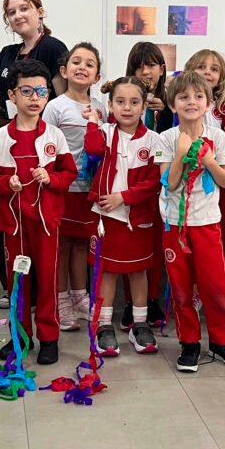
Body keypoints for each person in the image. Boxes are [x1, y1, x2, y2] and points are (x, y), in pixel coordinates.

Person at [0, 60, 78, 366]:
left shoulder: (54, 136)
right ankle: (20, 336)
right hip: (14, 225)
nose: (35, 98)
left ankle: (49, 337)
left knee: (47, 281)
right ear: (12, 95)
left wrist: (51, 178)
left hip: (46, 224)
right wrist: (5, 183)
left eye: (41, 91)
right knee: (18, 283)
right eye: (26, 91)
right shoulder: (1, 137)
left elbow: (68, 173)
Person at [0, 0, 68, 307]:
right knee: (3, 206)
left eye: (24, 8)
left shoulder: (53, 48)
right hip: (4, 127)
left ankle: (42, 289)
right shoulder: (7, 52)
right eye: (11, 12)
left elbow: (61, 96)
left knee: (38, 207)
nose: (18, 15)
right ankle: (14, 285)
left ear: (39, 11)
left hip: (39, 134)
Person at [155, 70, 225, 372]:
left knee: (215, 286)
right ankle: (189, 343)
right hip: (175, 225)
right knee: (181, 288)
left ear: (208, 103)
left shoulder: (216, 137)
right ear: (173, 104)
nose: (191, 102)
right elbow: (169, 183)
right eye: (183, 97)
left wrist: (208, 159)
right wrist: (181, 153)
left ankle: (221, 341)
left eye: (198, 96)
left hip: (207, 223)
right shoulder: (165, 138)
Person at [83, 77, 163, 355]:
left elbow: (154, 181)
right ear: (110, 105)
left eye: (134, 102)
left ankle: (139, 324)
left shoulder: (155, 140)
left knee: (139, 270)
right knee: (107, 270)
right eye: (120, 102)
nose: (127, 108)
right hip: (107, 217)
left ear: (144, 107)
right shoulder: (104, 132)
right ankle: (104, 325)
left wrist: (124, 197)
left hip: (138, 218)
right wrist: (92, 121)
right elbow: (92, 149)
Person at [42, 43, 106, 332]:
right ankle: (61, 299)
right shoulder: (55, 107)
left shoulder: (101, 109)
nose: (82, 67)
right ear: (64, 71)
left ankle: (80, 296)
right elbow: (46, 147)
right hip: (64, 189)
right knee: (62, 245)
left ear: (97, 77)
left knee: (82, 243)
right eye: (76, 62)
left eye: (89, 64)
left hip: (90, 191)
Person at [121, 42, 172, 331]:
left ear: (161, 69)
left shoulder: (172, 100)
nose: (145, 72)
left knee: (155, 244)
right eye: (138, 66)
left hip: (162, 185)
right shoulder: (125, 99)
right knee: (130, 243)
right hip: (131, 183)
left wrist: (167, 112)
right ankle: (130, 302)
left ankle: (152, 298)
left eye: (151, 65)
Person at [183, 49, 225, 322]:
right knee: (187, 244)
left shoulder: (221, 110)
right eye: (201, 66)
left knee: (218, 242)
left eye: (214, 69)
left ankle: (222, 294)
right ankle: (193, 293)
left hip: (214, 184)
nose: (207, 72)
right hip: (184, 186)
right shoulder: (181, 104)